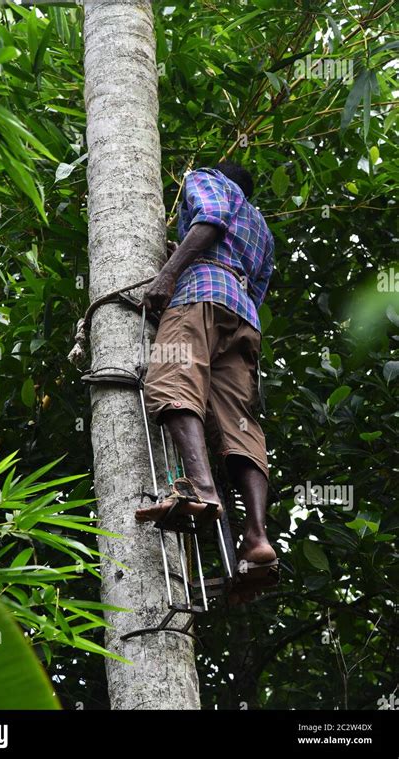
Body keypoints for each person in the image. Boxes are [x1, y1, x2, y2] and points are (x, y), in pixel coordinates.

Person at [135, 161, 277, 589]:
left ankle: (201, 488)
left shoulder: (207, 180)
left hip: (201, 294)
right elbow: (260, 285)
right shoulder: (262, 230)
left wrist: (167, 274)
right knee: (238, 422)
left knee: (172, 380)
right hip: (244, 318)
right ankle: (256, 538)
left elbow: (210, 219)